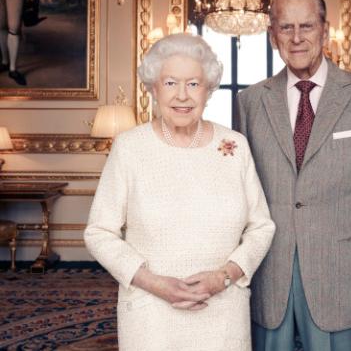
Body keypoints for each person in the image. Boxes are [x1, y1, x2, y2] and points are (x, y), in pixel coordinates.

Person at [84, 33, 275, 351]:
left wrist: (225, 277)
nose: (182, 96)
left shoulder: (234, 146)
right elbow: (99, 232)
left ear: (208, 89)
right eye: (171, 83)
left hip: (223, 310)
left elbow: (262, 226)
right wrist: (155, 284)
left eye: (193, 84)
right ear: (153, 88)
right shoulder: (130, 147)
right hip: (150, 315)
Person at [234, 0, 351, 351]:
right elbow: (243, 186)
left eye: (306, 25)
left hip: (337, 259)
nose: (296, 37)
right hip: (270, 261)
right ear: (272, 34)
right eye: (285, 27)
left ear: (325, 30)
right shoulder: (249, 102)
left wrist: (342, 230)